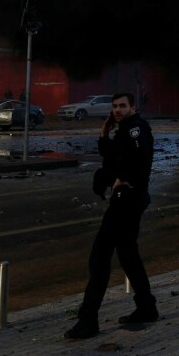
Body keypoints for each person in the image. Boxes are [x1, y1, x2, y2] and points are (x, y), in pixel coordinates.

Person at [65, 92, 157, 340]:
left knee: (100, 257)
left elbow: (141, 157)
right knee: (128, 255)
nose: (117, 110)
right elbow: (110, 155)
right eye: (115, 106)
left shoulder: (136, 128)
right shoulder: (123, 129)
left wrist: (124, 179)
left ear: (132, 107)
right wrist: (105, 131)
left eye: (122, 106)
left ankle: (88, 320)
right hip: (130, 199)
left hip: (127, 200)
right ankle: (147, 307)